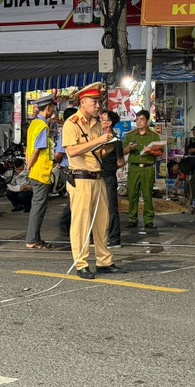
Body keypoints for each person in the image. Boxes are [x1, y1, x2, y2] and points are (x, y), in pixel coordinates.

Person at [63, 81, 125, 279]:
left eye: (99, 101)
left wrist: (109, 144)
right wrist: (99, 140)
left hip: (97, 177)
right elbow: (71, 151)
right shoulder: (71, 123)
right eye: (94, 101)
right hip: (80, 178)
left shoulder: (97, 124)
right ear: (83, 101)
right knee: (81, 223)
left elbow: (97, 152)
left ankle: (104, 261)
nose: (98, 106)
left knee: (101, 222)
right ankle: (81, 263)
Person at [24, 93, 56, 249]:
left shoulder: (33, 124)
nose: (53, 112)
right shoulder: (43, 126)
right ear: (48, 108)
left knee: (37, 205)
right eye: (53, 108)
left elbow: (28, 148)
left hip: (35, 171)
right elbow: (37, 150)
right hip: (40, 172)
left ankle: (34, 238)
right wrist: (29, 166)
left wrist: (27, 164)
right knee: (38, 207)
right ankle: (32, 239)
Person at [123, 109, 161, 228]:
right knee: (132, 194)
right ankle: (132, 218)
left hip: (147, 168)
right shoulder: (130, 135)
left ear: (147, 121)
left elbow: (160, 152)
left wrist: (151, 151)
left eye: (142, 119)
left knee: (147, 194)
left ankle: (148, 219)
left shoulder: (154, 136)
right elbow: (123, 151)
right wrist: (129, 147)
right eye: (137, 119)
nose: (139, 122)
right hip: (134, 168)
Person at [100, 110, 125, 246]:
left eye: (103, 119)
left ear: (109, 123)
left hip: (109, 176)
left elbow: (121, 161)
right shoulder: (97, 137)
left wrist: (110, 166)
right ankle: (97, 237)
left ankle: (114, 238)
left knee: (111, 207)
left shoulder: (115, 141)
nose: (100, 120)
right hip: (97, 176)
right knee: (96, 208)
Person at [54, 107, 78, 238]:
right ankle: (65, 221)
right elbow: (59, 153)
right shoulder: (67, 131)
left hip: (73, 169)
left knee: (75, 199)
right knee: (74, 199)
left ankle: (68, 223)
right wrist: (55, 160)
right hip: (69, 170)